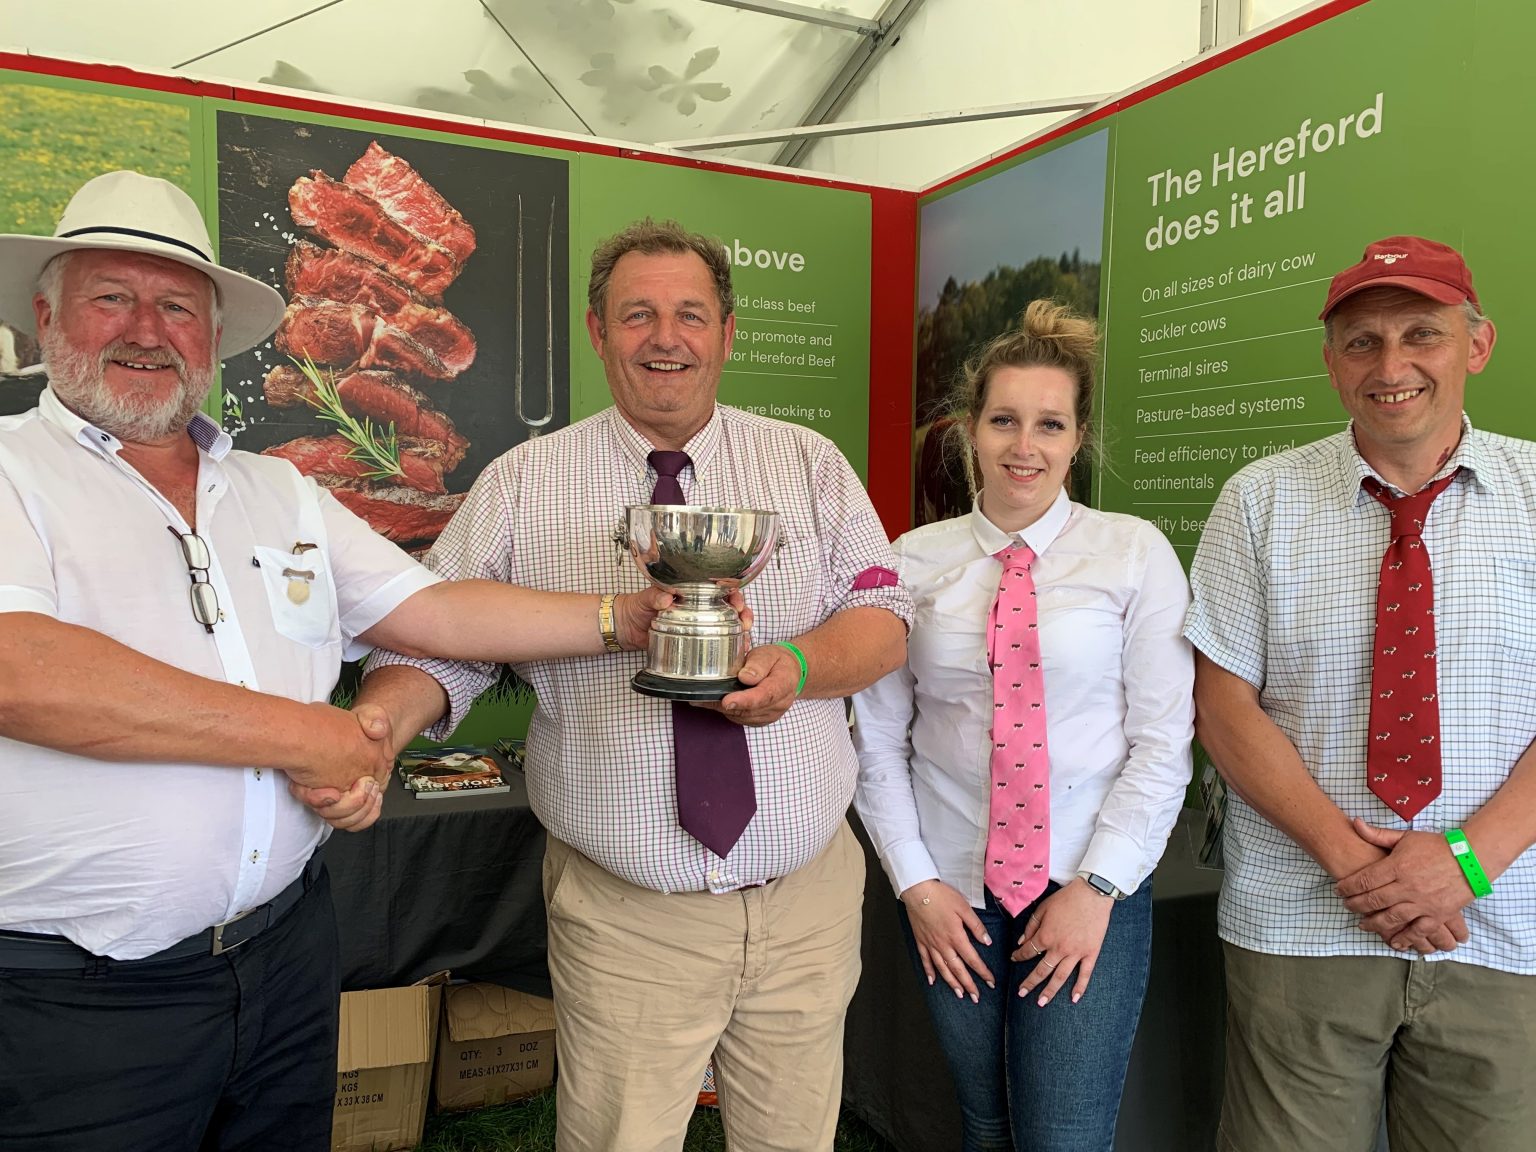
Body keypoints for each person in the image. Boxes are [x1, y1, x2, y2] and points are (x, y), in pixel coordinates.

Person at [0, 171, 678, 1152]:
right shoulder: (11, 471)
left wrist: (629, 617)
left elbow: (434, 610)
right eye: (112, 296)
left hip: (285, 959)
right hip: (77, 999)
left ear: (212, 332)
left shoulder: (280, 490)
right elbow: (23, 672)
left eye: (176, 305)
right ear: (46, 314)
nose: (146, 327)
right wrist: (314, 738)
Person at [359, 217, 912, 1151]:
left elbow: (884, 620)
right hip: (629, 918)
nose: (667, 338)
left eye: (691, 315)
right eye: (639, 315)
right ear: (597, 331)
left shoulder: (810, 464)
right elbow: (436, 639)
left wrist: (803, 669)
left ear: (728, 335)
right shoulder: (524, 483)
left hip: (805, 902)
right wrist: (371, 733)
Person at [1185, 235, 1536, 1152]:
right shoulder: (1259, 501)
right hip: (1300, 921)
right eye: (1361, 342)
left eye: (1421, 333)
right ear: (1331, 364)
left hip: (1505, 924)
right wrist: (1356, 867)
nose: (1393, 366)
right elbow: (1222, 707)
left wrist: (1462, 863)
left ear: (1478, 344)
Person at [852, 300, 1194, 1152]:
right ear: (968, 429)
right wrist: (916, 886)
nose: (1024, 446)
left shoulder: (1133, 552)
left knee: (1063, 1137)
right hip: (952, 894)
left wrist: (1098, 889)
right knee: (985, 1122)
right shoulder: (909, 559)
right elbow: (876, 739)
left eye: (1050, 423)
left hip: (1087, 888)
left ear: (1079, 437)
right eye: (1003, 420)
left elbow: (1163, 739)